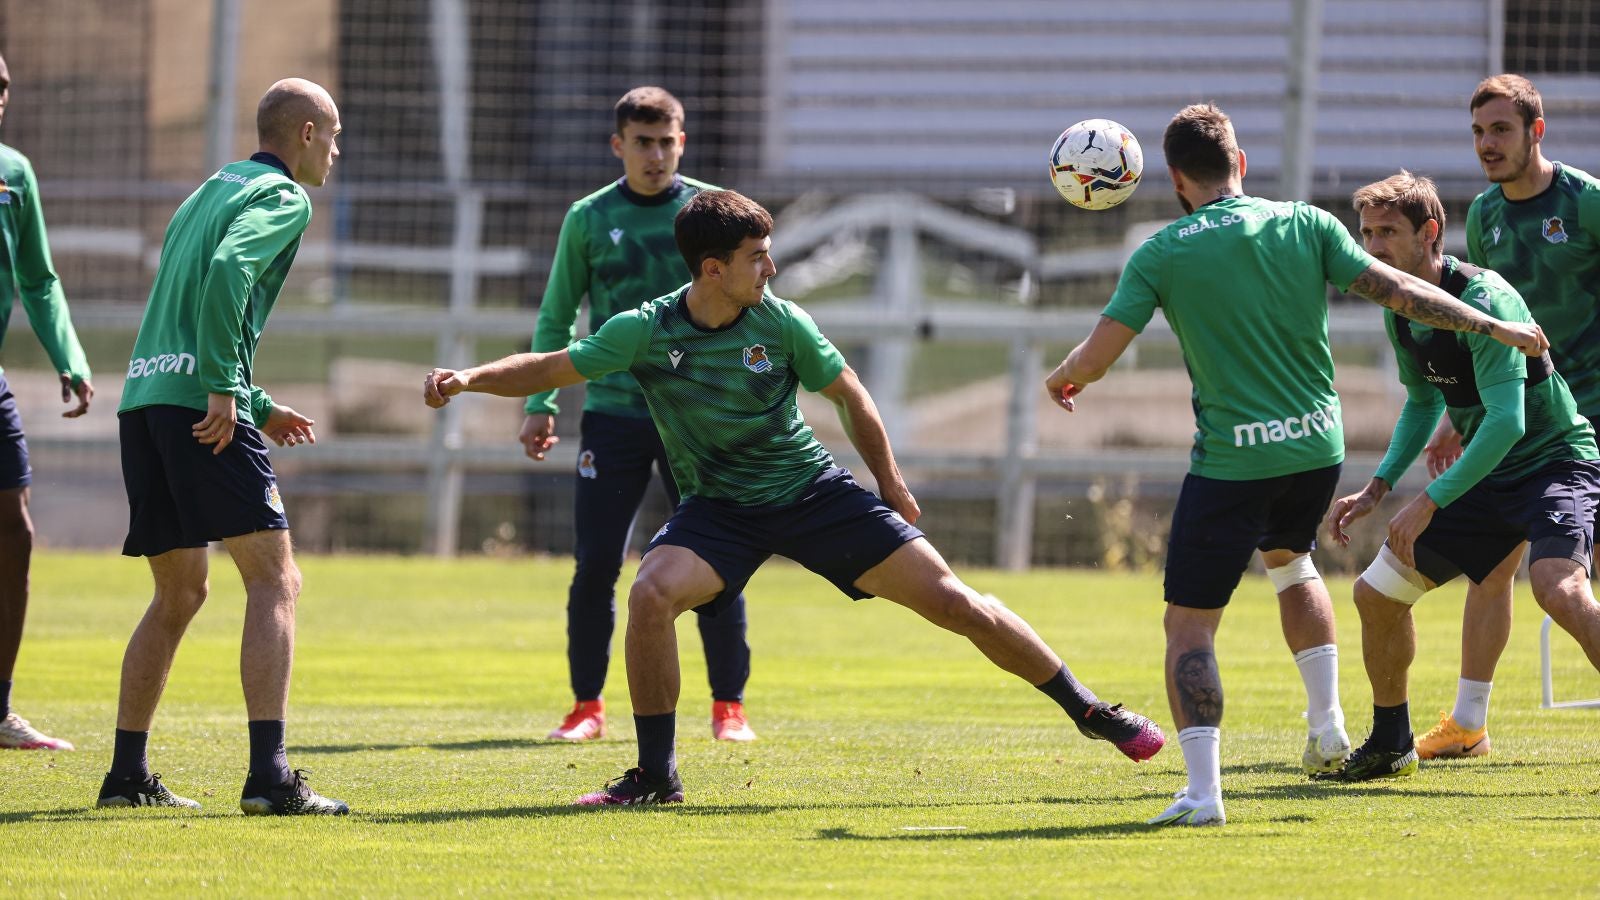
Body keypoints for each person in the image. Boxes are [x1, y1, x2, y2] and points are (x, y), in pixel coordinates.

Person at [425, 189, 1167, 806]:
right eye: (757, 258)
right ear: (712, 269)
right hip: (720, 511)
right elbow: (553, 366)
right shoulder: (644, 331)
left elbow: (851, 397)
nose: (771, 268)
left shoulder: (781, 320)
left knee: (954, 601)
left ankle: (1091, 710)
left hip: (813, 493)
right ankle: (655, 775)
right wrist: (467, 380)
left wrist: (891, 483)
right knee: (650, 594)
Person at [1044, 104, 1548, 827]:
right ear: (1240, 164)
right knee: (1291, 560)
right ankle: (1326, 725)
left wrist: (1061, 376)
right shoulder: (1306, 223)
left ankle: (1203, 795)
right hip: (1316, 449)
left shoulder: (1161, 252)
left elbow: (1094, 359)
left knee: (1189, 626)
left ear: (1178, 180)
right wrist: (1494, 324)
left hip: (1234, 460)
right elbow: (1403, 292)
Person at [95, 79, 348, 815]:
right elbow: (228, 275)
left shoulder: (209, 189)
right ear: (304, 134)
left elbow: (180, 307)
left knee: (179, 593)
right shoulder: (284, 197)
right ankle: (269, 779)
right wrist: (223, 392)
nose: (336, 150)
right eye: (332, 134)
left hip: (144, 402)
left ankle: (125, 775)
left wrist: (257, 402)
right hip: (198, 409)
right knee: (276, 581)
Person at [1321, 170, 1600, 781]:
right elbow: (1424, 403)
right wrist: (1380, 486)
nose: (1374, 249)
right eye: (1366, 233)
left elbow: (1505, 422)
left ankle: (1464, 723)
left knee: (1559, 588)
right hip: (1491, 478)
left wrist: (1428, 501)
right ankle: (1392, 742)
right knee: (1375, 596)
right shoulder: (1400, 313)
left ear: (1431, 232)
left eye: (1388, 232)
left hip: (1555, 462)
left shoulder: (1485, 300)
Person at [522, 86, 754, 743]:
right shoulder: (589, 218)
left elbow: (750, 304)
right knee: (597, 562)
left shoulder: (713, 214)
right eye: (642, 142)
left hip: (697, 419)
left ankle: (728, 707)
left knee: (718, 561)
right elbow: (557, 315)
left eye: (666, 142)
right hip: (614, 414)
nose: (655, 155)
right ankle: (586, 707)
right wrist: (540, 403)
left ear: (682, 142)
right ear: (617, 145)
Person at [1409, 74, 1600, 761]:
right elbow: (1486, 332)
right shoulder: (1485, 217)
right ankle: (1468, 723)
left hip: (1590, 415)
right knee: (1492, 567)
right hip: (1529, 413)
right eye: (1478, 132)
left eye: (1501, 131)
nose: (1487, 144)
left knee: (1574, 577)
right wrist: (1459, 416)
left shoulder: (1585, 203)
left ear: (1535, 133)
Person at [0, 51, 95, 752]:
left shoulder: (14, 173)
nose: (0, 97)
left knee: (15, 531)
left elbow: (38, 278)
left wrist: (69, 357)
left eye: (3, 87)